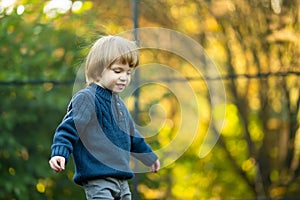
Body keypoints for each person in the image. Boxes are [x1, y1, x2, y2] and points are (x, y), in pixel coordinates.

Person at [49, 35, 160, 200]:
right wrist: (60, 152)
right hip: (98, 179)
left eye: (129, 72)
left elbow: (132, 135)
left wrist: (148, 156)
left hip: (122, 180)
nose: (124, 77)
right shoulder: (87, 98)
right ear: (98, 70)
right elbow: (69, 128)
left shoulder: (119, 104)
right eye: (118, 71)